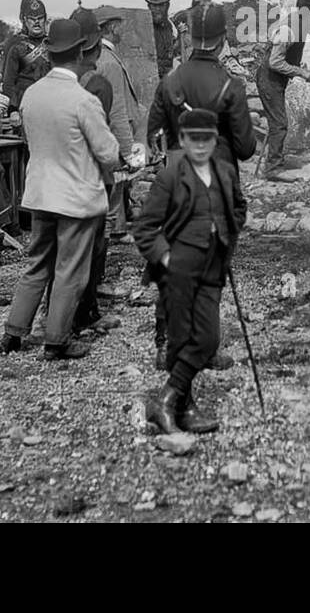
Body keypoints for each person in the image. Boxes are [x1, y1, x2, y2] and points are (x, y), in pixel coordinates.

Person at [0, 17, 120, 361]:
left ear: (49, 52)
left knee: (37, 263)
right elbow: (108, 154)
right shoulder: (83, 101)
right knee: (69, 268)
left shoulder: (32, 96)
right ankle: (57, 339)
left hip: (40, 194)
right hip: (75, 198)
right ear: (80, 51)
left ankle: (13, 332)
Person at [146, 3, 255, 371]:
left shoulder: (170, 81)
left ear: (191, 36)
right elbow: (245, 148)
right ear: (224, 39)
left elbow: (154, 134)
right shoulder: (231, 85)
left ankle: (166, 343)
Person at [133, 108, 246, 435]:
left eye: (206, 138)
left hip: (213, 266)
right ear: (181, 140)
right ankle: (182, 405)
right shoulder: (170, 177)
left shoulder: (224, 172)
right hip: (178, 270)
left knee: (208, 338)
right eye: (192, 138)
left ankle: (166, 401)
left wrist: (229, 233)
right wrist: (166, 258)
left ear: (215, 140)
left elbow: (238, 206)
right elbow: (145, 228)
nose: (200, 145)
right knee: (182, 340)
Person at [68, 8, 124, 337]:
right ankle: (85, 313)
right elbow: (106, 136)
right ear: (96, 46)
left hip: (58, 180)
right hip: (91, 177)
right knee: (93, 247)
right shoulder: (97, 84)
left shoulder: (48, 83)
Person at [255, 0, 310, 178]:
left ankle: (271, 163)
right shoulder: (289, 29)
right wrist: (300, 72)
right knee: (280, 124)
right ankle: (273, 168)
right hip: (269, 78)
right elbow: (275, 63)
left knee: (276, 122)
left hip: (277, 79)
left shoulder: (304, 22)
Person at [93, 6, 142, 241]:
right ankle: (116, 229)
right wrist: (127, 147)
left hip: (105, 129)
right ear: (111, 27)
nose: (123, 28)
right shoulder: (109, 62)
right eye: (119, 24)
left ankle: (116, 224)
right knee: (117, 179)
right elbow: (117, 108)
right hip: (114, 130)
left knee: (115, 181)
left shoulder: (103, 56)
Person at [2, 0, 50, 109]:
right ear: (25, 20)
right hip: (24, 104)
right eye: (32, 19)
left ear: (45, 19)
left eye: (40, 18)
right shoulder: (16, 46)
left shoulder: (53, 44)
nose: (36, 22)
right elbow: (8, 82)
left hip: (49, 102)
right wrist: (12, 109)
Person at [147, 0, 180, 80]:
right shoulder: (145, 30)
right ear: (149, 6)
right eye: (154, 5)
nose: (157, 9)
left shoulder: (170, 27)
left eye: (161, 5)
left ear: (168, 6)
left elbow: (171, 52)